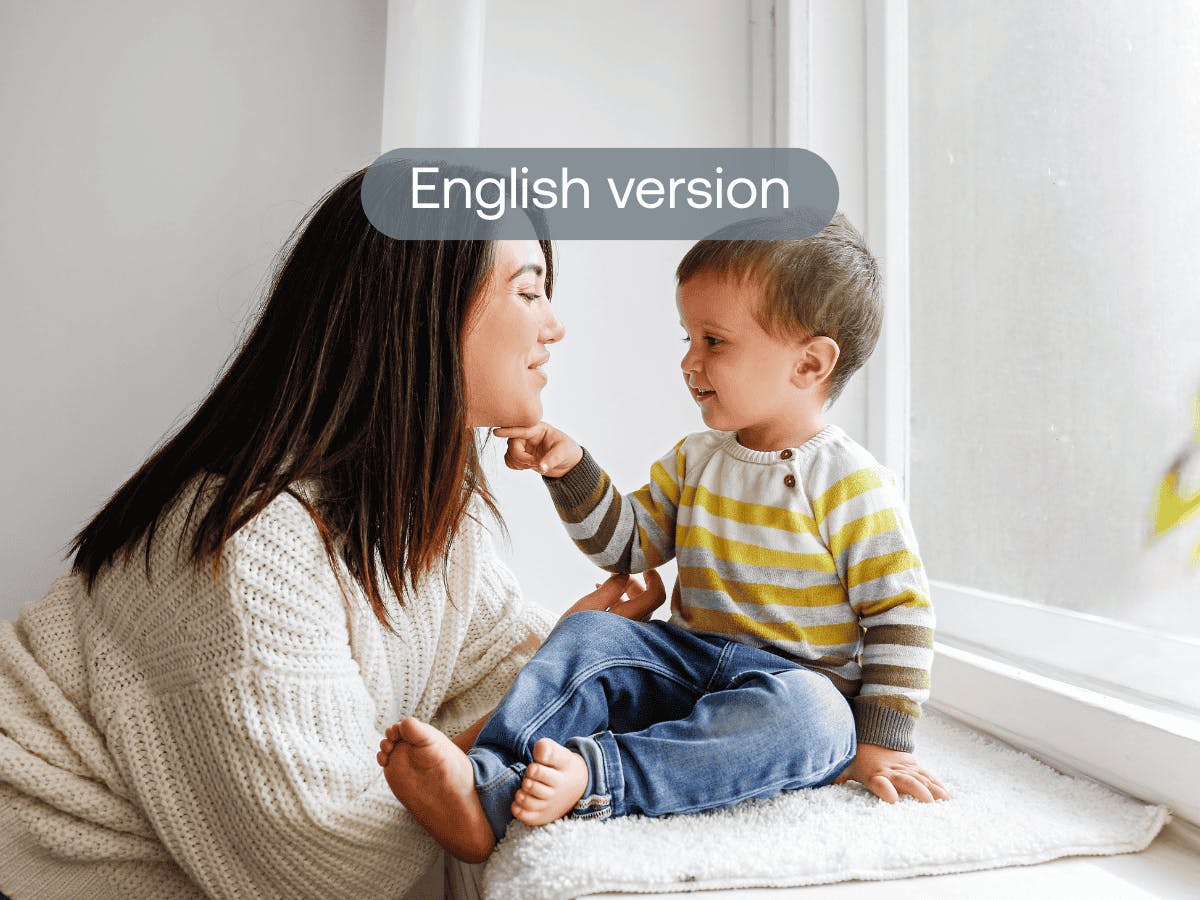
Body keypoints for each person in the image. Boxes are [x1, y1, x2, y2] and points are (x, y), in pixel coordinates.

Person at [0, 167, 663, 899]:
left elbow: (499, 674)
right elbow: (334, 864)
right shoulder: (249, 545)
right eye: (528, 289)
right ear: (422, 312)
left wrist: (572, 654)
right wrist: (494, 731)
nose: (554, 324)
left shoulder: (431, 516)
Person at [377, 213, 949, 860]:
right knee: (593, 636)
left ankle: (599, 776)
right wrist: (571, 471)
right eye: (688, 337)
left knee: (818, 718)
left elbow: (901, 615)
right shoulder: (695, 460)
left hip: (789, 687)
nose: (688, 361)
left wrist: (881, 743)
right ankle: (483, 783)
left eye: (714, 341)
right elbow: (629, 546)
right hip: (686, 663)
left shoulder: (852, 485)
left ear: (809, 363)